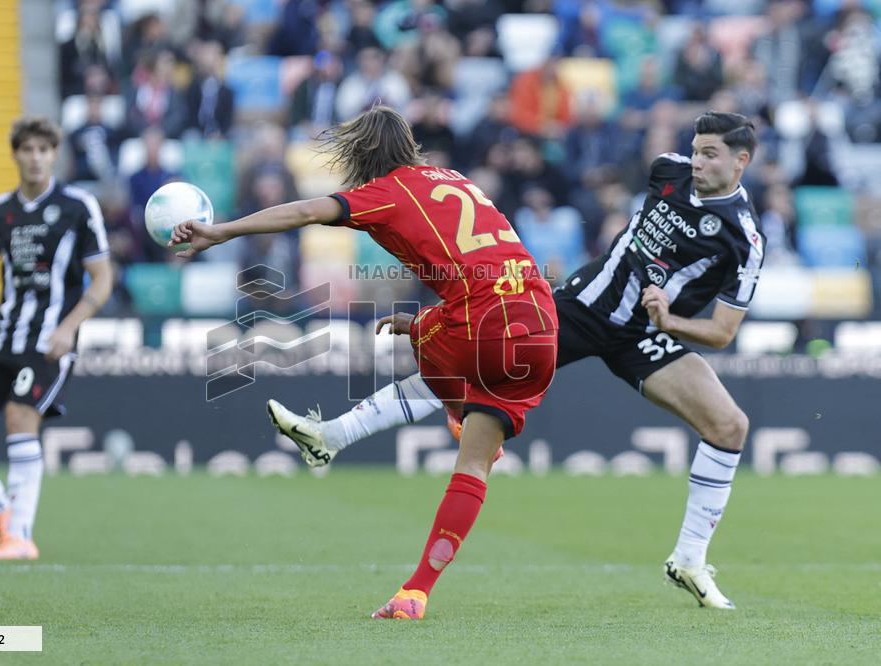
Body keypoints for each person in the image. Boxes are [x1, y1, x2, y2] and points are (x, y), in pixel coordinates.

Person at [269, 112, 765, 611]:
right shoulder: (667, 170)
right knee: (479, 362)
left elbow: (722, 333)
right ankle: (338, 434)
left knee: (729, 426)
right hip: (578, 308)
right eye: (696, 150)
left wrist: (671, 321)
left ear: (742, 161)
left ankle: (689, 559)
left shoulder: (744, 237)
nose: (697, 161)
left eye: (710, 154)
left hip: (645, 333)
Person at [169, 106, 558, 620]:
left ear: (363, 153)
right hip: (542, 324)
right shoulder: (454, 179)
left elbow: (305, 212)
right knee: (473, 463)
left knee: (421, 333)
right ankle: (413, 591)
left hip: (484, 322)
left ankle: (446, 415)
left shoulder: (389, 190)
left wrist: (223, 232)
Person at [0, 117, 113, 560]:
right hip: (5, 335)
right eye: (28, 150)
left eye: (44, 150)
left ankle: (20, 536)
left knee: (19, 415)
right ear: (15, 154)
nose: (36, 158)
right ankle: (2, 511)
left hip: (50, 338)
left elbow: (102, 278)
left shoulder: (78, 205)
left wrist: (69, 328)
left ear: (55, 155)